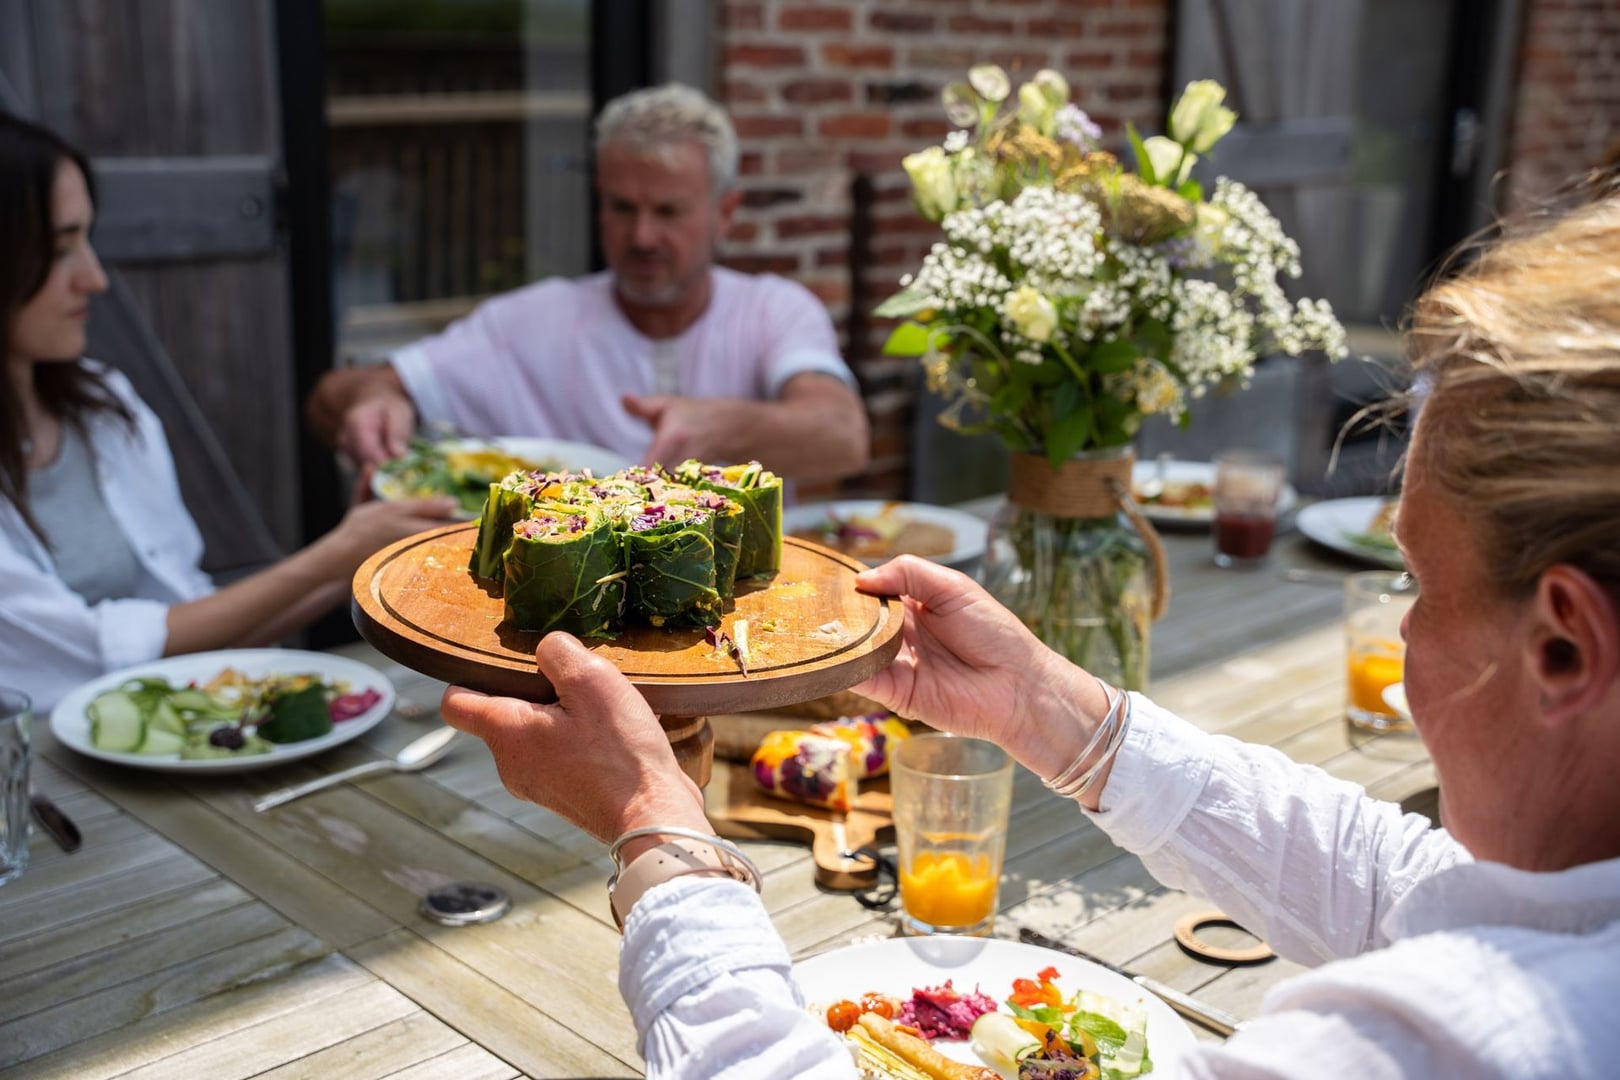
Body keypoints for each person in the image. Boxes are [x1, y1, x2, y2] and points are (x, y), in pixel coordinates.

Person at [441, 188, 1620, 1078]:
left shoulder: (1462, 1043)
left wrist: (661, 833)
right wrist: (1059, 715)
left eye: (1416, 584)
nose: (1400, 625)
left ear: (1564, 647)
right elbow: (1410, 886)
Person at [0, 113, 456, 711]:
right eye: (62, 250)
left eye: (87, 239)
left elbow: (190, 635)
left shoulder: (102, 407)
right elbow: (91, 655)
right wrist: (333, 554)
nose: (95, 278)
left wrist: (361, 556)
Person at [307, 83, 869, 484]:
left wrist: (720, 424)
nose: (642, 235)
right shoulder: (532, 320)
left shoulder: (773, 310)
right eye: (622, 208)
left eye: (669, 211)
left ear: (726, 212)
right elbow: (331, 398)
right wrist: (376, 400)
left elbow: (842, 435)